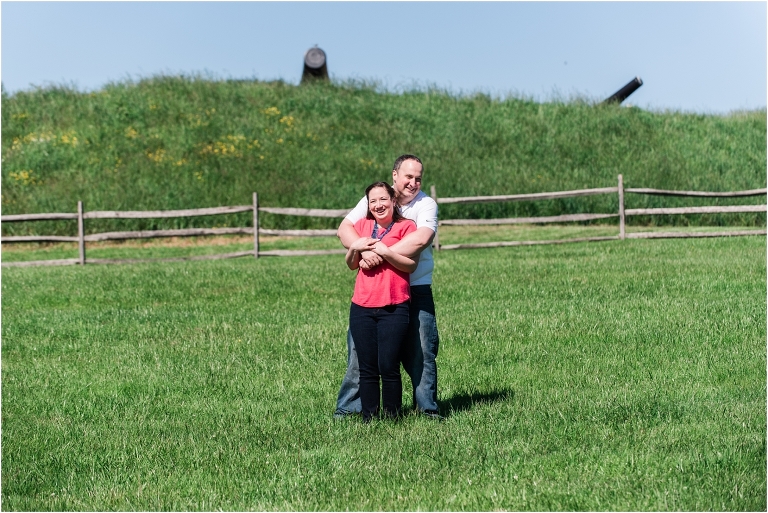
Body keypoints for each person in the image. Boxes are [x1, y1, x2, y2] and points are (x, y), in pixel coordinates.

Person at [335, 154, 442, 419]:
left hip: (415, 287)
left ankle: (427, 409)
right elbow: (345, 229)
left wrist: (377, 252)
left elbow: (421, 239)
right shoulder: (379, 197)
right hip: (374, 291)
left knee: (422, 351)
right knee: (360, 353)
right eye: (408, 176)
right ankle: (348, 409)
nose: (413, 182)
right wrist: (360, 247)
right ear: (395, 175)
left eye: (418, 178)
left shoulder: (426, 204)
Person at [345, 181, 419, 422]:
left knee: (388, 365)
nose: (378, 205)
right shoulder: (361, 226)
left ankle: (393, 417)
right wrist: (355, 248)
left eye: (383, 199)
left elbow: (411, 264)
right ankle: (369, 418)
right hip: (362, 306)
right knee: (367, 368)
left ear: (393, 201)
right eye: (373, 201)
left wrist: (385, 253)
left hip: (394, 306)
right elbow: (351, 264)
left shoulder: (407, 227)